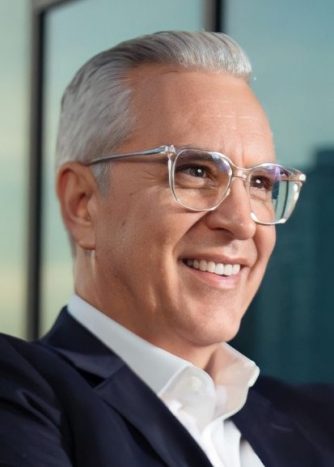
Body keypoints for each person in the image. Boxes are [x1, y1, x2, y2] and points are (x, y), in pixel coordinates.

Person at [0, 31, 333, 467]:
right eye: (195, 171)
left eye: (260, 183)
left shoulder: (319, 422)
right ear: (83, 204)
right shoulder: (23, 396)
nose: (239, 221)